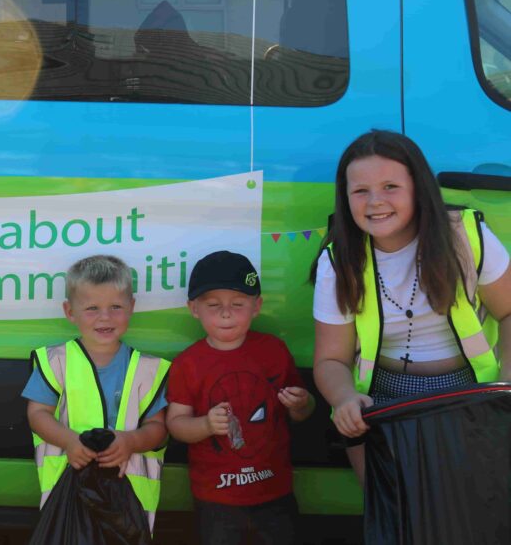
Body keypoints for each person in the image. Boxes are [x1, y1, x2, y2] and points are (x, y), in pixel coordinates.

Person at [311, 129, 511, 483]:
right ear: (345, 198)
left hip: (467, 395)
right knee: (392, 507)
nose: (375, 201)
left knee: (469, 505)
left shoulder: (467, 237)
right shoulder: (339, 261)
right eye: (360, 191)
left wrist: (505, 388)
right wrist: (345, 400)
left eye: (391, 187)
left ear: (418, 188)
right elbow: (330, 360)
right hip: (382, 400)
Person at [166, 250, 314, 545]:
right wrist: (206, 425)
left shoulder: (274, 350)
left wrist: (301, 403)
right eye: (213, 305)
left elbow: (303, 411)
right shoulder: (187, 363)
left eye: (237, 304)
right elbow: (176, 424)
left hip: (275, 492)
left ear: (256, 306)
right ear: (194, 308)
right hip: (215, 498)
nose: (226, 313)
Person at [23, 255, 170, 533]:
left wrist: (131, 441)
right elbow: (37, 414)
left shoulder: (148, 369)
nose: (105, 317)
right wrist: (69, 441)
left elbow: (159, 428)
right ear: (70, 311)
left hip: (128, 511)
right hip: (67, 500)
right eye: (92, 308)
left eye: (116, 307)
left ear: (131, 307)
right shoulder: (55, 362)